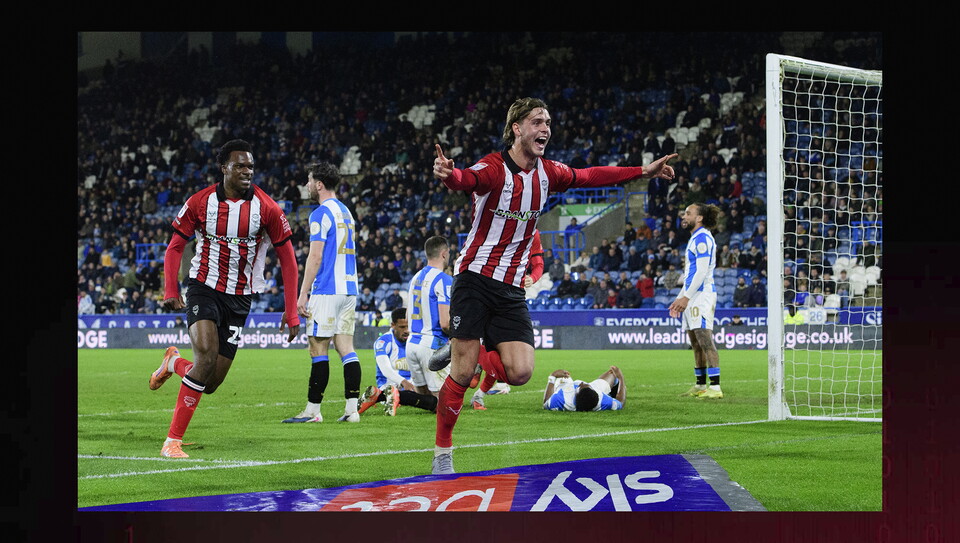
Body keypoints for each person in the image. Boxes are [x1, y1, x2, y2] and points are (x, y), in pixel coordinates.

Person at [430, 96, 676, 474]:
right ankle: (443, 455)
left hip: (511, 287)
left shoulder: (550, 172)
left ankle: (465, 347)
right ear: (517, 128)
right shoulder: (495, 168)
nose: (545, 128)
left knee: (522, 372)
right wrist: (452, 175)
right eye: (537, 122)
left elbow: (591, 175)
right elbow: (469, 179)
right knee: (461, 376)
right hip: (475, 278)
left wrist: (643, 171)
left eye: (547, 122)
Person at [150, 139, 300, 458]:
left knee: (212, 381)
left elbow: (288, 258)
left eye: (251, 166)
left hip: (239, 299)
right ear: (224, 169)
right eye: (240, 166)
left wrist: (292, 312)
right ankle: (172, 441)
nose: (247, 171)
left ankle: (172, 362)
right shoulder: (200, 202)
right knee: (204, 359)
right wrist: (171, 290)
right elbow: (175, 246)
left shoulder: (267, 208)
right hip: (203, 287)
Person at [283, 161, 363, 424]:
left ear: (318, 184)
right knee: (346, 348)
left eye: (308, 180)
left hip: (327, 289)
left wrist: (303, 293)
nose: (306, 185)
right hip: (349, 289)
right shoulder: (347, 212)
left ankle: (313, 410)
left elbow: (315, 256)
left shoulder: (319, 214)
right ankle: (352, 410)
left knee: (318, 347)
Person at [670, 203, 723, 400]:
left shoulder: (702, 238)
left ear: (699, 218)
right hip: (692, 295)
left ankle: (715, 387)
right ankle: (701, 384)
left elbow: (701, 272)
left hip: (702, 295)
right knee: (695, 341)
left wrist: (686, 296)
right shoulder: (695, 238)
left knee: (704, 338)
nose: (684, 216)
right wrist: (679, 299)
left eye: (688, 213)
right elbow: (691, 274)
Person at [357, 307, 440, 416]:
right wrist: (403, 382)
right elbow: (385, 369)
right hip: (389, 385)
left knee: (434, 395)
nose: (406, 331)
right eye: (402, 327)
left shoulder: (415, 339)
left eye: (408, 327)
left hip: (412, 385)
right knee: (435, 404)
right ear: (392, 325)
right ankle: (388, 395)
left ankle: (378, 395)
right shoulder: (383, 341)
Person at [405, 236, 454, 399]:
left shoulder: (415, 278)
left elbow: (407, 315)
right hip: (432, 345)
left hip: (412, 344)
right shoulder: (444, 279)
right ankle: (394, 396)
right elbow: (445, 323)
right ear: (444, 254)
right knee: (444, 403)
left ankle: (397, 397)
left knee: (424, 401)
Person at [542, 366, 626, 412]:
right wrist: (621, 377)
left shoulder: (562, 399)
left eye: (581, 385)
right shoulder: (603, 401)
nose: (581, 382)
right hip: (593, 390)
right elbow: (621, 403)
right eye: (585, 384)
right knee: (612, 374)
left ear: (575, 393)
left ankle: (610, 392)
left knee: (562, 379)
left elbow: (546, 402)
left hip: (567, 387)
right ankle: (611, 393)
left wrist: (552, 376)